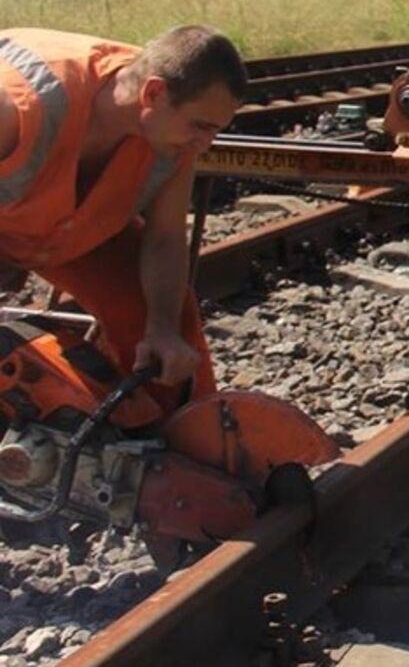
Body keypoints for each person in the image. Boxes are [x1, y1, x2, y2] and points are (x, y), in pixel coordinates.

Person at [0, 25, 245, 414]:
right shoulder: (18, 105)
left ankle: (175, 450)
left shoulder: (171, 138)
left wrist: (162, 330)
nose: (206, 144)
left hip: (62, 228)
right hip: (17, 223)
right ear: (152, 94)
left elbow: (165, 237)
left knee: (160, 311)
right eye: (200, 126)